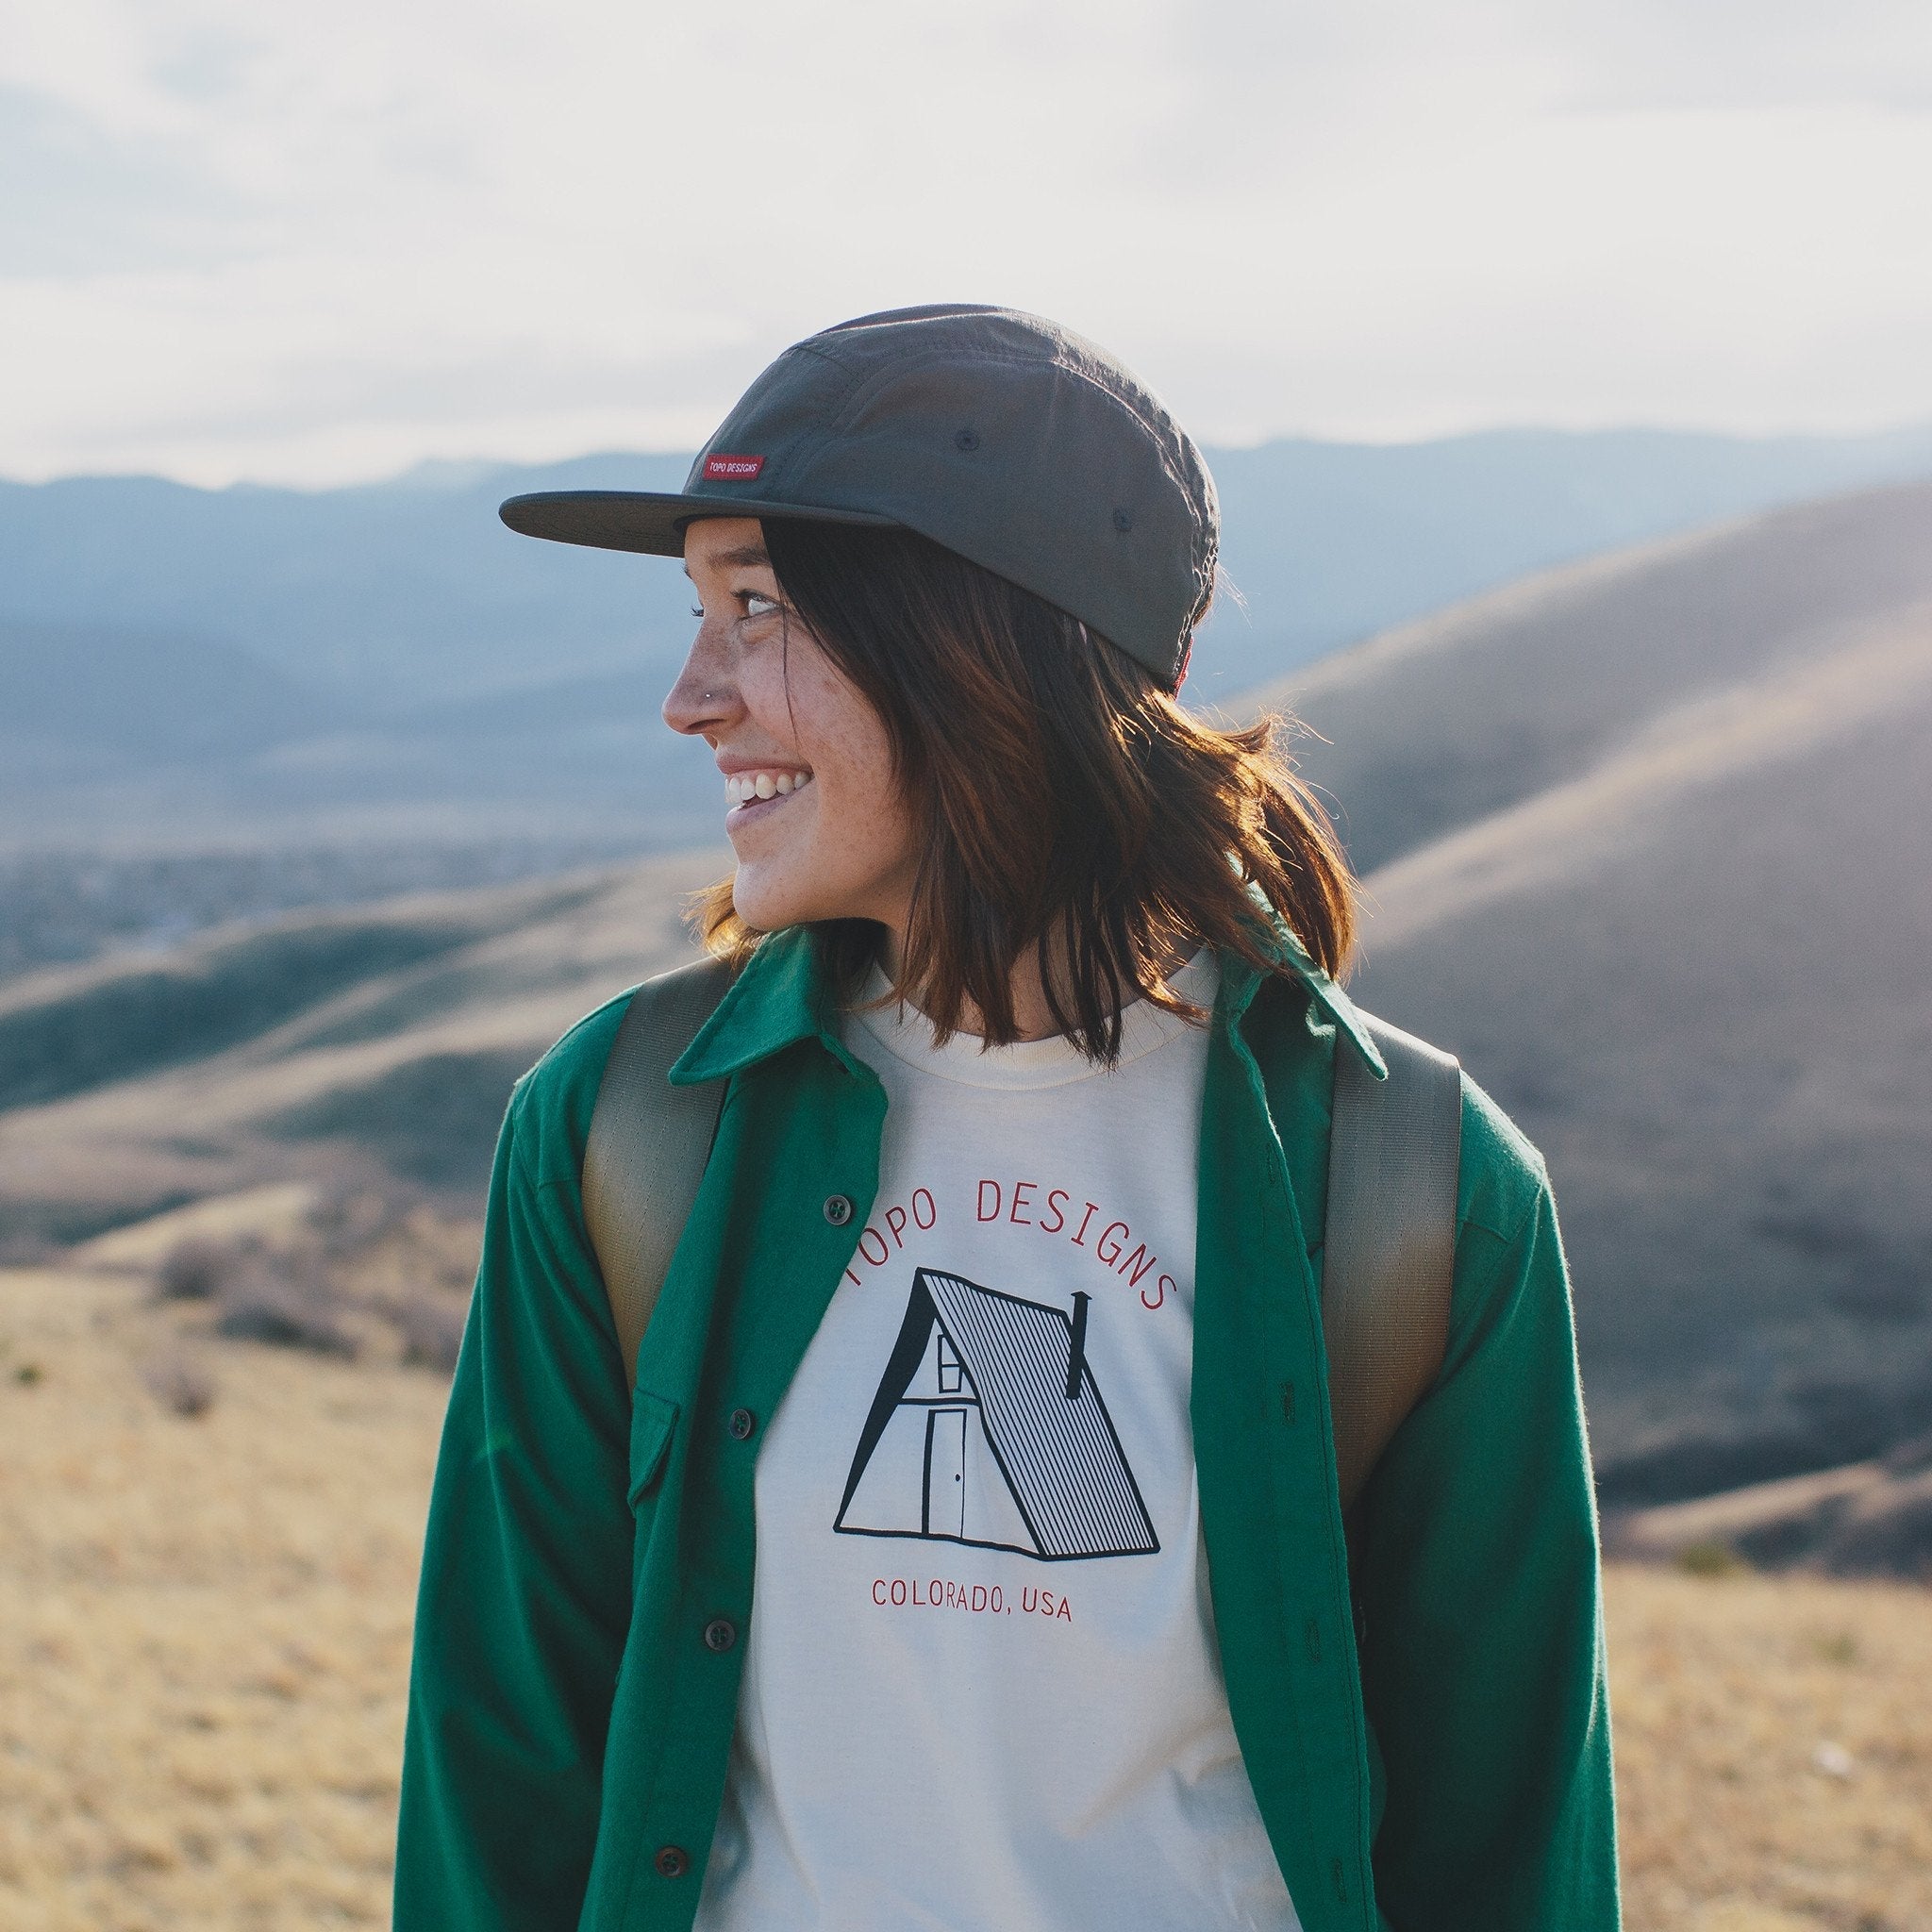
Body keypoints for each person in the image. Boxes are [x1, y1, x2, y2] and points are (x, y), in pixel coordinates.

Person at [394, 305, 1618, 1932]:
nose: (689, 699)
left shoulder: (1415, 1198)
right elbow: (501, 1785)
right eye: (700, 609)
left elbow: (1506, 1855)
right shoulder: (624, 1130)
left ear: (982, 646)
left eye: (754, 606)